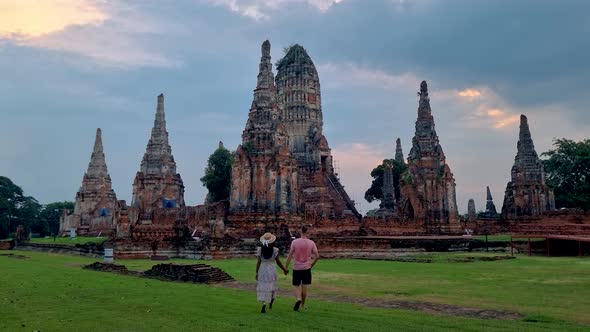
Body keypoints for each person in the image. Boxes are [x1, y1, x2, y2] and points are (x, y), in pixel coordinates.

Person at [285, 225, 319, 311]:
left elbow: (289, 255)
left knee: (296, 285)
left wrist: (285, 267)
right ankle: (303, 305)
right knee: (304, 286)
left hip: (296, 267)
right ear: (307, 232)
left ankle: (298, 299)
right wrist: (312, 264)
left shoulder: (295, 242)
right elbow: (317, 256)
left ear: (301, 232)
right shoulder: (311, 243)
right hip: (307, 267)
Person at [255, 232, 288, 313]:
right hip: (271, 268)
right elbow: (278, 262)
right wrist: (284, 269)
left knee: (264, 286)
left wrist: (256, 272)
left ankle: (264, 303)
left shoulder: (260, 250)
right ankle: (270, 302)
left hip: (262, 268)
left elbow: (258, 262)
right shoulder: (274, 250)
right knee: (272, 286)